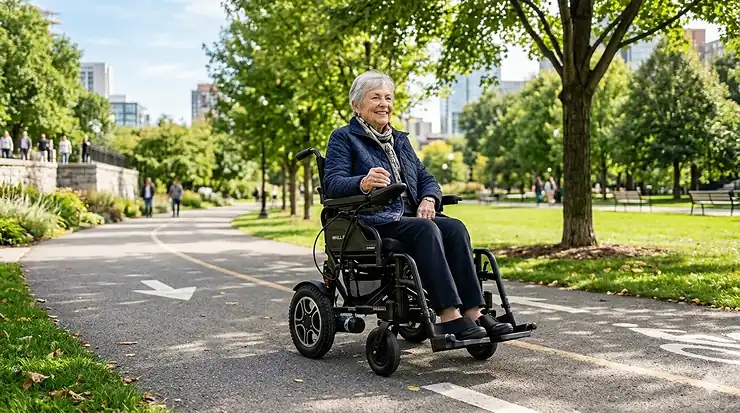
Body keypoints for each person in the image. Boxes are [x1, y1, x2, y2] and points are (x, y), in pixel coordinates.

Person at [323, 71, 514, 341]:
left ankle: (473, 313)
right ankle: (449, 316)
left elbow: (426, 178)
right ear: (357, 105)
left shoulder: (400, 140)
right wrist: (363, 183)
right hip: (373, 221)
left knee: (454, 228)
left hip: (410, 217)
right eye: (375, 97)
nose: (384, 104)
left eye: (388, 98)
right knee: (426, 230)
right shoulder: (344, 138)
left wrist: (429, 198)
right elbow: (333, 183)